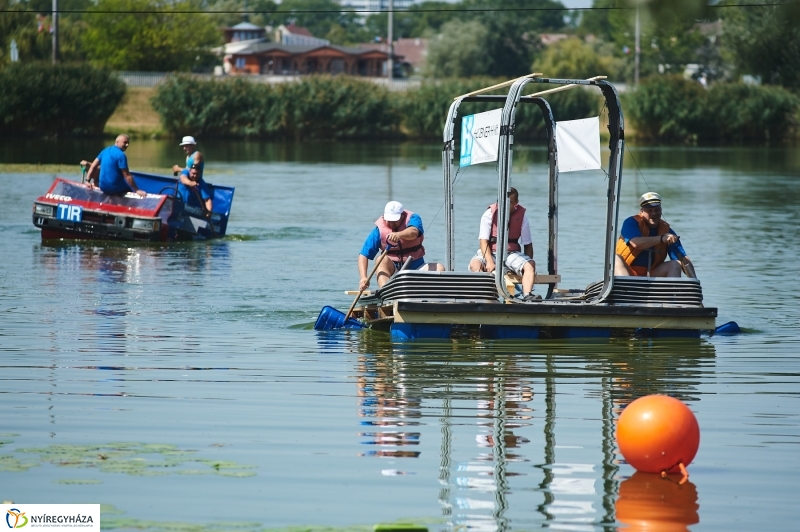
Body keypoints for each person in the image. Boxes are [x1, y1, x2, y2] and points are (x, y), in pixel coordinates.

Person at [468, 187, 539, 301]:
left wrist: (525, 269)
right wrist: (490, 261)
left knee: (530, 264)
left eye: (509, 203)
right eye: (502, 202)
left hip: (511, 253)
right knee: (475, 265)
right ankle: (484, 295)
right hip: (490, 252)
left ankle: (527, 295)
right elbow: (483, 241)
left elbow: (528, 244)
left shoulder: (522, 217)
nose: (504, 206)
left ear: (516, 203)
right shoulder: (489, 214)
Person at [358, 201, 445, 291]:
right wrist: (363, 277)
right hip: (393, 270)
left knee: (439, 268)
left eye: (395, 221)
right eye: (389, 220)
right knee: (380, 259)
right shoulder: (379, 230)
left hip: (417, 267)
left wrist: (399, 235)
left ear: (402, 216)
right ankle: (386, 293)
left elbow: (414, 232)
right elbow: (363, 255)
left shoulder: (413, 218)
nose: (391, 223)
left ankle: (431, 296)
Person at [614, 192, 697, 278]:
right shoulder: (631, 222)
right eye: (649, 211)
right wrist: (661, 239)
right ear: (641, 212)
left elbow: (683, 259)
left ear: (661, 210)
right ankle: (626, 289)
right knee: (615, 258)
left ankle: (673, 290)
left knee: (675, 264)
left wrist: (695, 281)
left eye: (657, 210)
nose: (654, 213)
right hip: (627, 271)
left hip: (651, 274)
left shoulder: (667, 232)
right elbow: (636, 243)